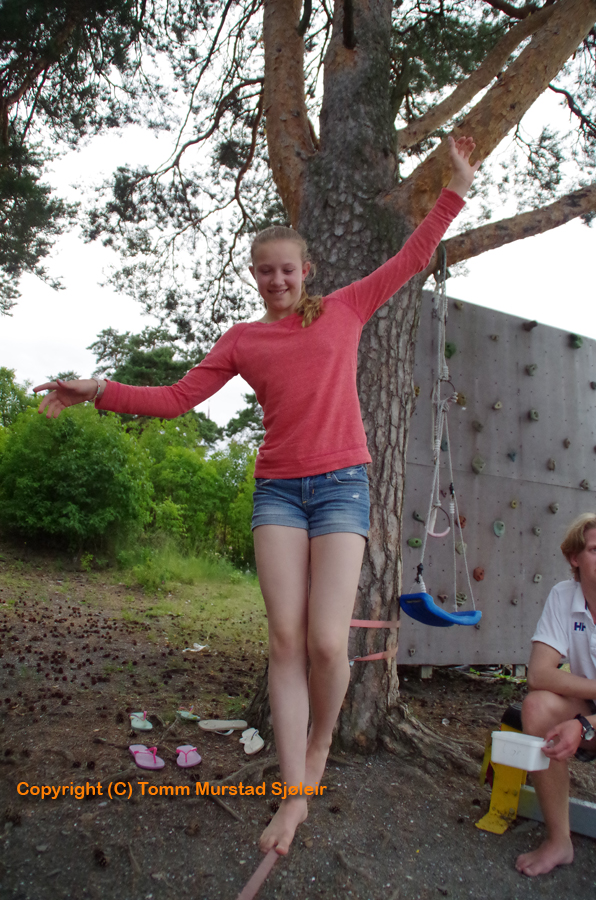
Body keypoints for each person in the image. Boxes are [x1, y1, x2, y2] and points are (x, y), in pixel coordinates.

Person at [35, 135, 480, 856]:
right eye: (265, 271)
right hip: (278, 491)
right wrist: (98, 390)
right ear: (254, 276)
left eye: (287, 269)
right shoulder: (242, 340)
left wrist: (455, 188)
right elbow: (177, 398)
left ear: (307, 271)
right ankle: (293, 793)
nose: (277, 280)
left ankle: (322, 742)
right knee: (283, 641)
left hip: (341, 487)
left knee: (327, 642)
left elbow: (411, 258)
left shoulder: (346, 308)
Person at [516, 513, 596, 877]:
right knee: (537, 708)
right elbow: (539, 674)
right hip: (589, 708)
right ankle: (559, 841)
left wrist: (584, 725)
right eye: (595, 550)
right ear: (574, 558)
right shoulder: (565, 596)